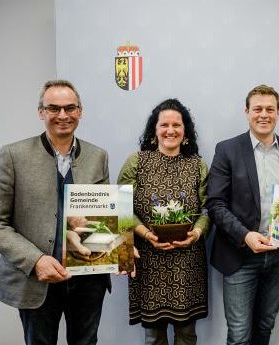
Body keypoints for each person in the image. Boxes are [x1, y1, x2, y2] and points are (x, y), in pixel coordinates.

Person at [0, 79, 110, 344]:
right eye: (53, 108)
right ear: (41, 112)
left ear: (80, 112)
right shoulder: (14, 155)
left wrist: (117, 244)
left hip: (88, 281)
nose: (63, 115)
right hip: (35, 281)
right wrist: (35, 260)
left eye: (70, 108)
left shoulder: (98, 156)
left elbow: (101, 216)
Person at [207, 84, 279, 345]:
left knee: (265, 327)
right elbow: (215, 203)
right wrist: (246, 236)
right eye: (258, 109)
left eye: (270, 109)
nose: (264, 114)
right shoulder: (227, 149)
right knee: (239, 334)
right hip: (239, 254)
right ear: (247, 111)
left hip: (278, 257)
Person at [117, 98, 209, 345]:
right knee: (153, 336)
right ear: (154, 130)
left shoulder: (198, 166)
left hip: (187, 262)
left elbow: (207, 210)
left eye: (177, 125)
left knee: (187, 334)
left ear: (185, 131)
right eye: (164, 125)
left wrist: (197, 233)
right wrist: (146, 234)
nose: (171, 130)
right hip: (147, 260)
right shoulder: (136, 162)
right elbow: (120, 208)